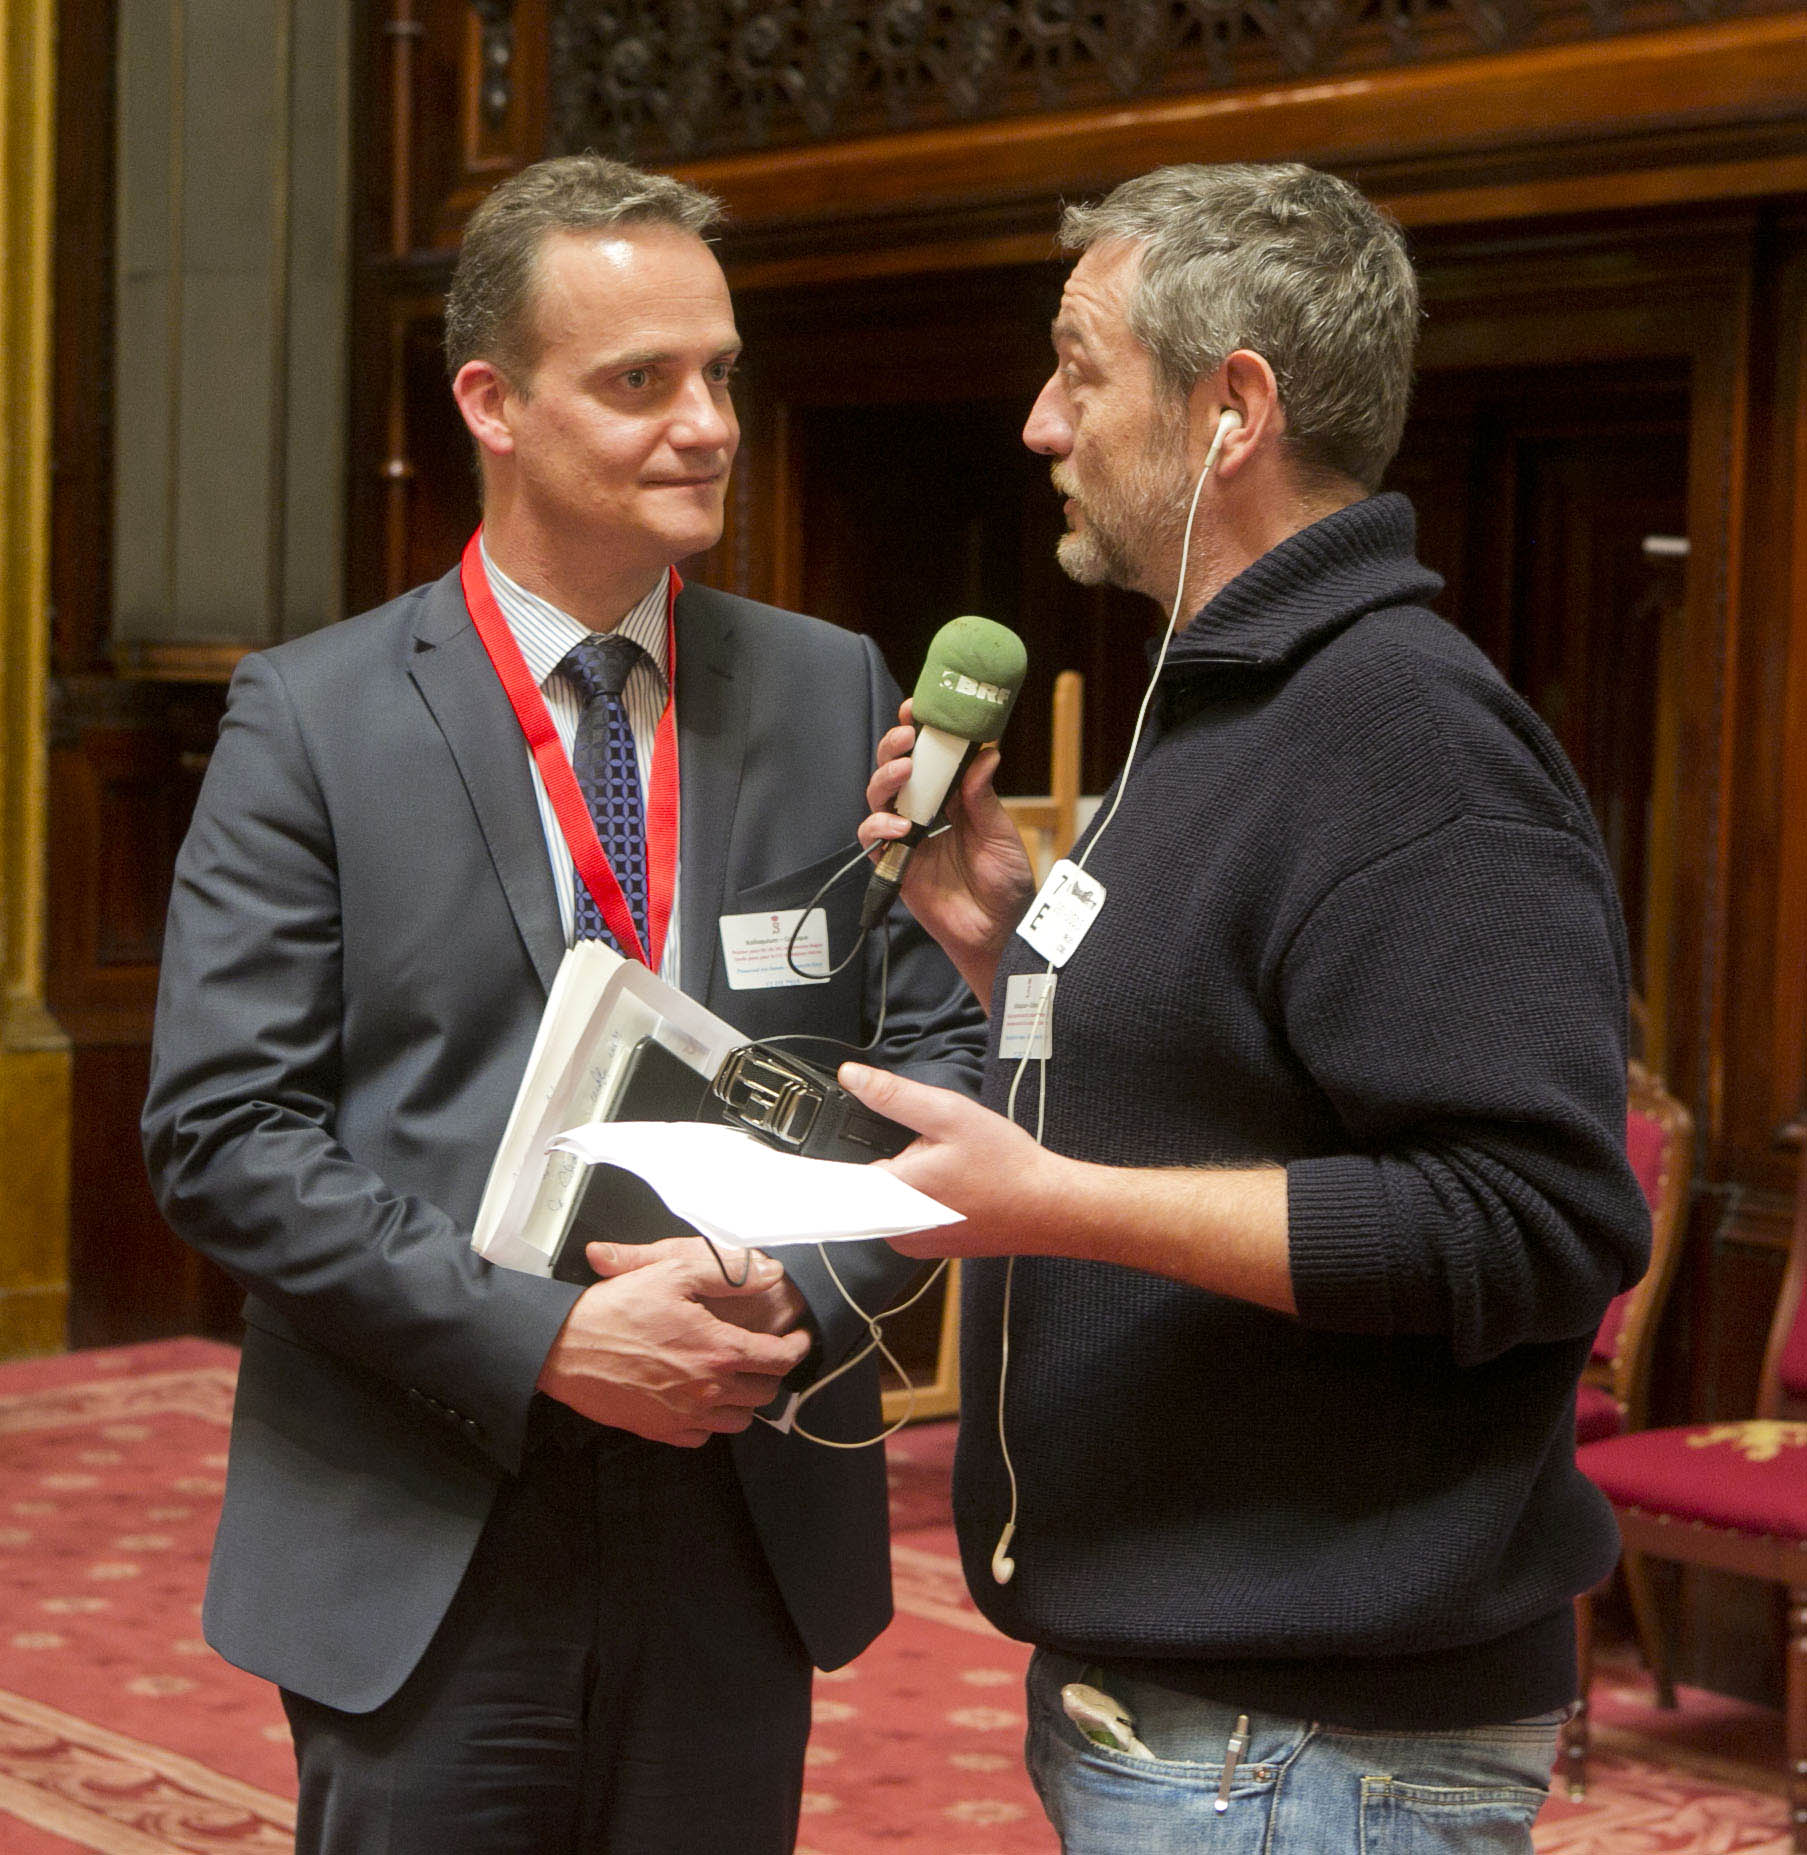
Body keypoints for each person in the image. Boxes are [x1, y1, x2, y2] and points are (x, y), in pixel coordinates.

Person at [141, 154, 983, 1855]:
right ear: (492, 402)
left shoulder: (835, 690)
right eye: (639, 381)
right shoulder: (313, 719)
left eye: (721, 372)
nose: (708, 424)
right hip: (429, 1506)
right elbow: (223, 1135)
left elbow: (937, 1061)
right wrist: (551, 1341)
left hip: (736, 1505)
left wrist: (789, 1304)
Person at [840, 162, 1651, 1851]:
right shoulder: (1219, 703)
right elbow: (1223, 1079)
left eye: (1080, 367)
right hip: (1214, 1717)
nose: (1039, 424)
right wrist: (998, 943)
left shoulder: (1409, 739)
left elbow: (1532, 1225)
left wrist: (1051, 1208)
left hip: (1310, 1742)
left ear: (1234, 411)